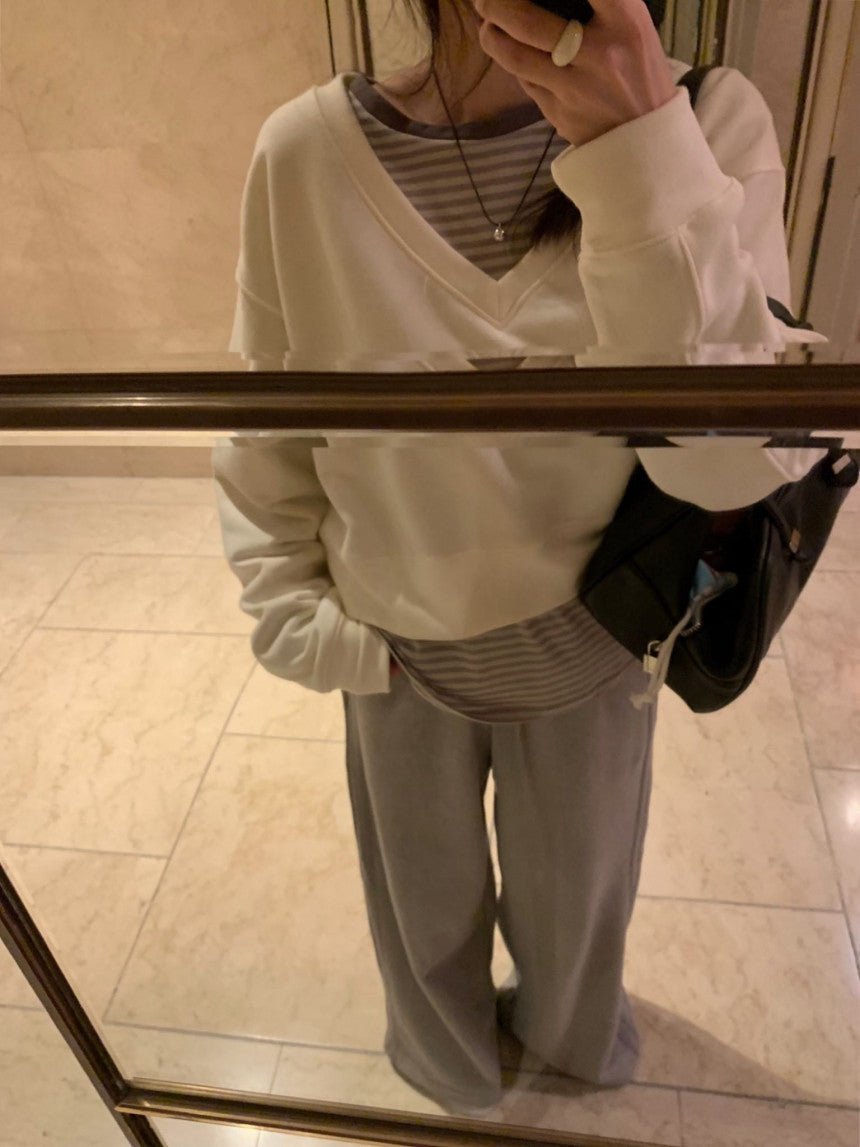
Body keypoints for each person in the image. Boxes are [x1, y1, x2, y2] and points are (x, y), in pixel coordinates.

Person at [213, 0, 826, 1119]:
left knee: (580, 905)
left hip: (599, 646)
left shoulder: (709, 122)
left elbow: (733, 468)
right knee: (418, 909)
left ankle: (573, 1051)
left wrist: (642, 146)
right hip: (397, 650)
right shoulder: (303, 151)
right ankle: (444, 1068)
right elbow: (267, 424)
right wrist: (301, 623)